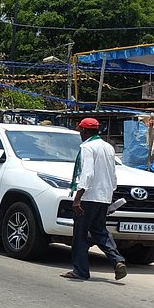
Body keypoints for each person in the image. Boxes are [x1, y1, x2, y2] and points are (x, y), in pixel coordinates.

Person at [62, 118, 127, 281]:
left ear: (85, 131)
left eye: (80, 131)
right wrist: (109, 193)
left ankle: (80, 270)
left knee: (80, 235)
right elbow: (113, 174)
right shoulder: (108, 147)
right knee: (99, 231)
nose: (80, 134)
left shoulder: (88, 147)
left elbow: (88, 173)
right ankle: (117, 260)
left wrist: (78, 198)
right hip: (103, 196)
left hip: (89, 196)